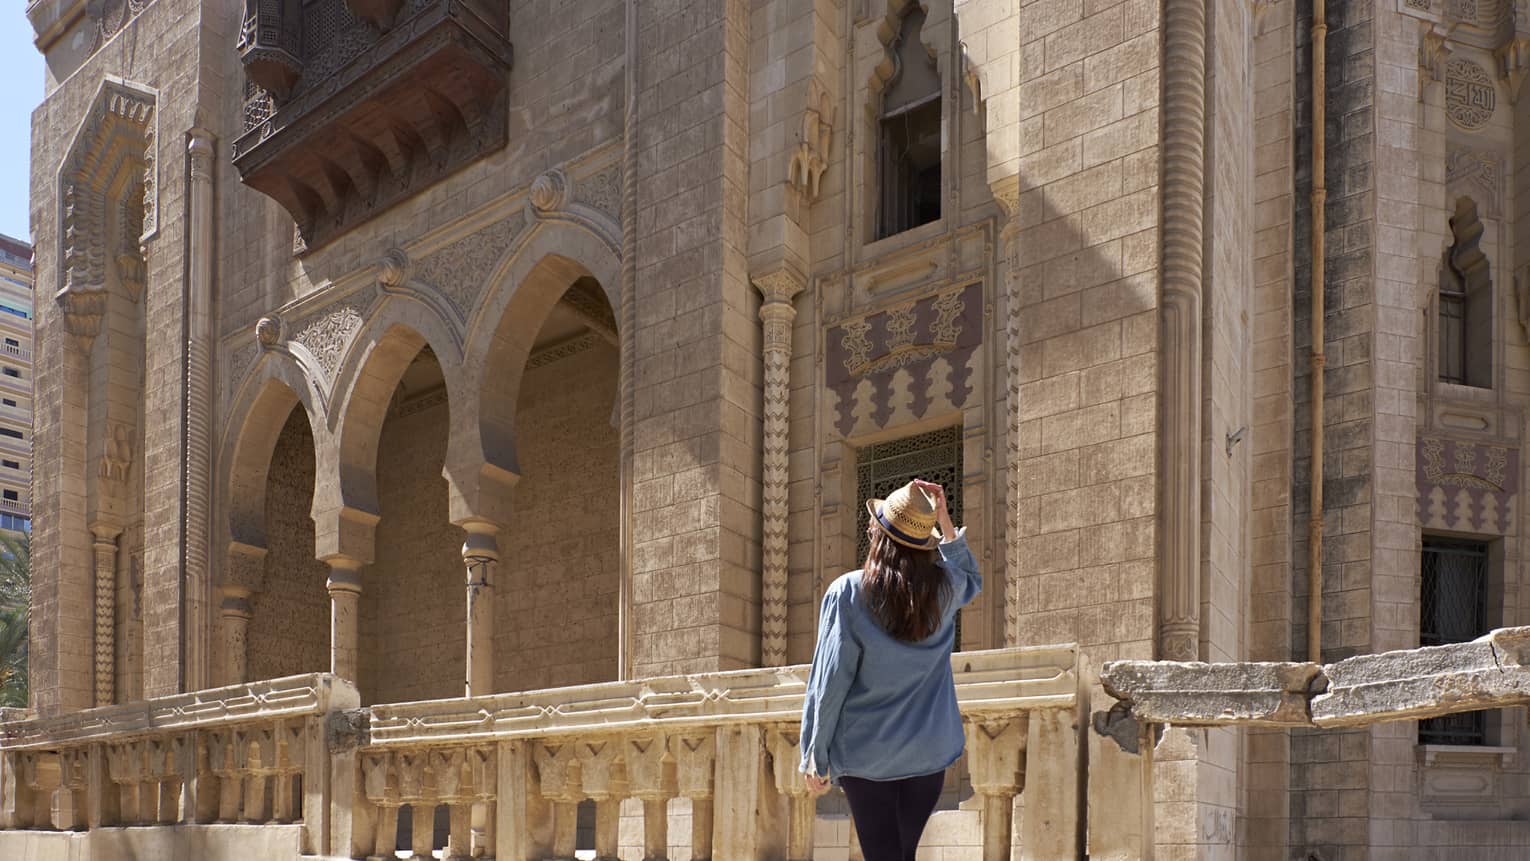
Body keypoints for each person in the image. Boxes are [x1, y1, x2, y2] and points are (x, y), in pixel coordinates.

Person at [798, 478, 982, 861]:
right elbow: (971, 579)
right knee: (901, 854)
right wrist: (944, 521)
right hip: (929, 754)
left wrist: (814, 755)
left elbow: (830, 681)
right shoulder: (944, 590)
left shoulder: (847, 593)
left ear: (877, 535)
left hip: (868, 757)